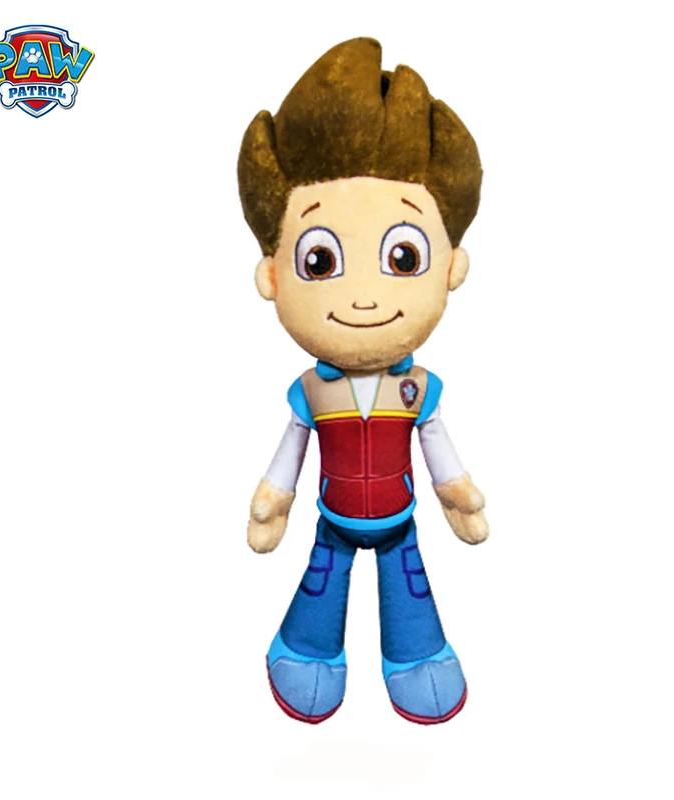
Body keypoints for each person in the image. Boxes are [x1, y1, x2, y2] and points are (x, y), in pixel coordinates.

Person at [238, 37, 488, 724]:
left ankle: (417, 653)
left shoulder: (420, 389)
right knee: (322, 585)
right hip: (334, 518)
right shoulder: (312, 391)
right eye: (319, 261)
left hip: (400, 517)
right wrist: (273, 499)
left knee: (411, 591)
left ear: (450, 267)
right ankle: (306, 648)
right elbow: (291, 449)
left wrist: (456, 492)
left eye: (403, 257)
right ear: (273, 274)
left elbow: (437, 444)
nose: (365, 297)